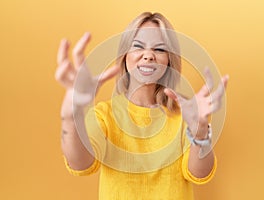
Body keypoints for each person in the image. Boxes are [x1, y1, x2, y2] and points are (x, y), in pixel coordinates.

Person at [55, 12, 229, 200]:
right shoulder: (105, 115)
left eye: (160, 49)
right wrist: (71, 114)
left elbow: (199, 173)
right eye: (138, 46)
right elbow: (79, 163)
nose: (148, 56)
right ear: (125, 56)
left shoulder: (184, 114)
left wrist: (199, 131)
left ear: (169, 60)